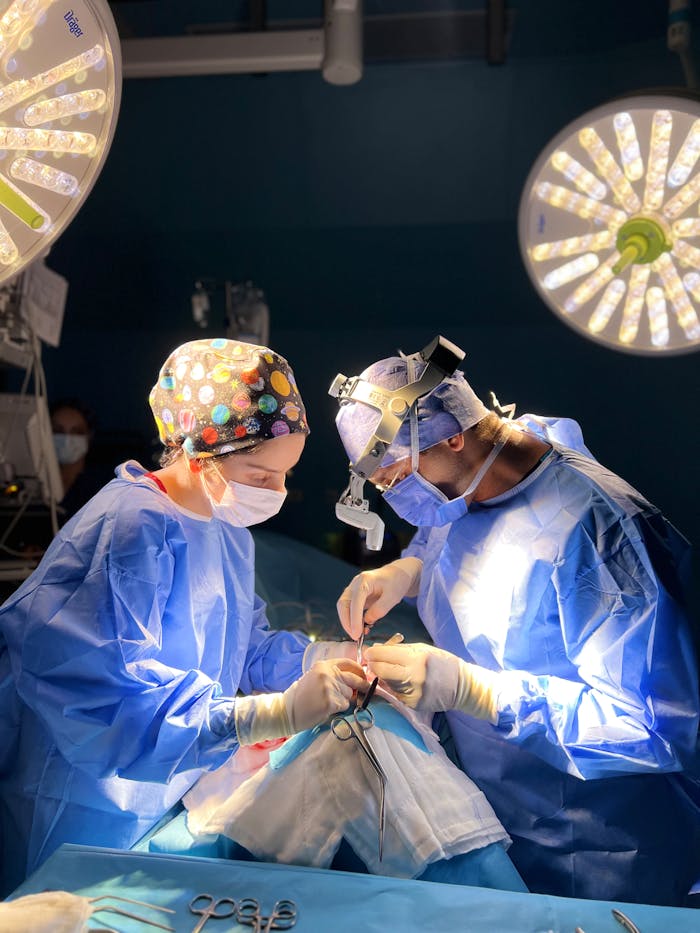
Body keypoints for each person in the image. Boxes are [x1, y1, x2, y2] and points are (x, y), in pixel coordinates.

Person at [331, 337, 700, 907]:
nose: (395, 498)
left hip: (607, 848)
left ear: (453, 436)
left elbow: (660, 727)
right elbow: (458, 535)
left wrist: (474, 690)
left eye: (396, 478)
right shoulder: (481, 473)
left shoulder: (597, 535)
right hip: (510, 819)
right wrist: (409, 569)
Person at [0, 337, 366, 898]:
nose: (277, 491)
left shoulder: (226, 530)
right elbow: (109, 700)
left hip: (161, 791)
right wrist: (267, 715)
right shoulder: (131, 527)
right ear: (200, 454)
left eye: (285, 474)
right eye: (261, 474)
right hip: (83, 798)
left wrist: (336, 657)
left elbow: (243, 645)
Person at [50, 397, 111, 525]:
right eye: (58, 431)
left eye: (76, 431)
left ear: (89, 436)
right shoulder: (33, 488)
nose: (67, 439)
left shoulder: (102, 488)